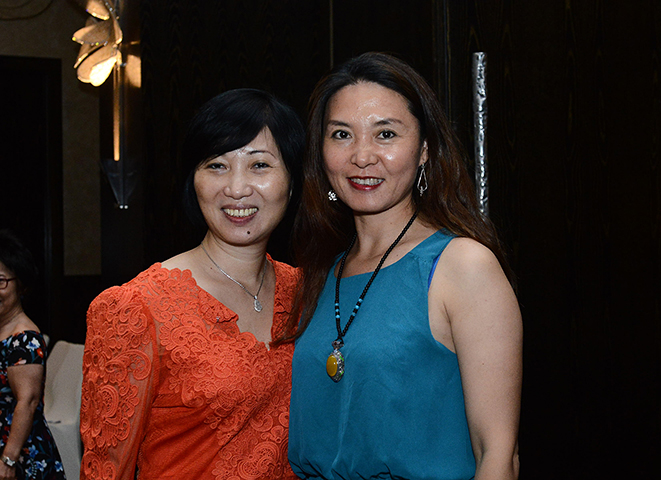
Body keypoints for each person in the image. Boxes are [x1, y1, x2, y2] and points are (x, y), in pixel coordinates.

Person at [286, 52, 523, 480]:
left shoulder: (463, 266)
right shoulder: (321, 274)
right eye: (341, 134)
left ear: (424, 150)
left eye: (386, 134)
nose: (362, 156)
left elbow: (498, 455)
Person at [80, 89, 304, 480]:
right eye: (216, 165)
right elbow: (106, 470)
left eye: (259, 165)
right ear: (193, 181)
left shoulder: (308, 291)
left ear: (293, 179)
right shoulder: (134, 308)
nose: (236, 188)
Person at [0, 230, 65, 480]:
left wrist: (8, 460)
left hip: (19, 457)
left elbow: (27, 401)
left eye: (1, 281)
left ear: (21, 284)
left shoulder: (25, 338)